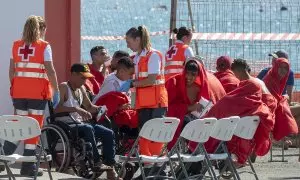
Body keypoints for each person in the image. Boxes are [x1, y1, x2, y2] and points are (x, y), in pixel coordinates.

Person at [7, 15, 59, 176]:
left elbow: (11, 70)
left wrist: (16, 86)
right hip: (37, 94)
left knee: (19, 126)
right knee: (33, 128)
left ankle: (2, 157)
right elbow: (50, 70)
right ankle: (28, 167)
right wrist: (56, 90)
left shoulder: (16, 45)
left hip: (19, 94)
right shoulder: (44, 46)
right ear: (42, 29)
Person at [54, 63, 121, 180]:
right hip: (66, 125)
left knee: (108, 132)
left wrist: (100, 108)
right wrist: (76, 109)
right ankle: (96, 162)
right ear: (73, 74)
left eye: (86, 78)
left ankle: (110, 167)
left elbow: (89, 107)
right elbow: (56, 109)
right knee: (88, 128)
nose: (85, 81)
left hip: (79, 124)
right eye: (82, 77)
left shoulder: (82, 89)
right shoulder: (64, 87)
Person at [201, 59, 275, 165]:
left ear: (238, 72)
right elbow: (246, 103)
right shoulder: (255, 83)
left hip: (244, 125)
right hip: (255, 121)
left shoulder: (249, 84)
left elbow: (233, 102)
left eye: (234, 73)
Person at [122, 25, 168, 178]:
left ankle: (159, 170)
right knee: (146, 138)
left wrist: (132, 84)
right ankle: (149, 170)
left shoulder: (153, 56)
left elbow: (152, 79)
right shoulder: (136, 58)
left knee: (156, 138)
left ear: (138, 39)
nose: (127, 45)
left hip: (156, 103)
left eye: (129, 41)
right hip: (144, 104)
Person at [166, 59, 226, 150]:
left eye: (193, 74)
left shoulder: (201, 89)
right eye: (187, 73)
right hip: (176, 123)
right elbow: (167, 109)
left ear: (198, 75)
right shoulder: (173, 83)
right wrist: (190, 107)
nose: (189, 77)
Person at [262, 58, 298, 141]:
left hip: (273, 108)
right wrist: (285, 97)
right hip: (271, 110)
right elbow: (273, 100)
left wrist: (284, 98)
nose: (283, 70)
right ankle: (283, 139)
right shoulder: (270, 80)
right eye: (280, 67)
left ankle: (286, 138)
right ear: (275, 67)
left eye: (285, 68)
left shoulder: (276, 78)